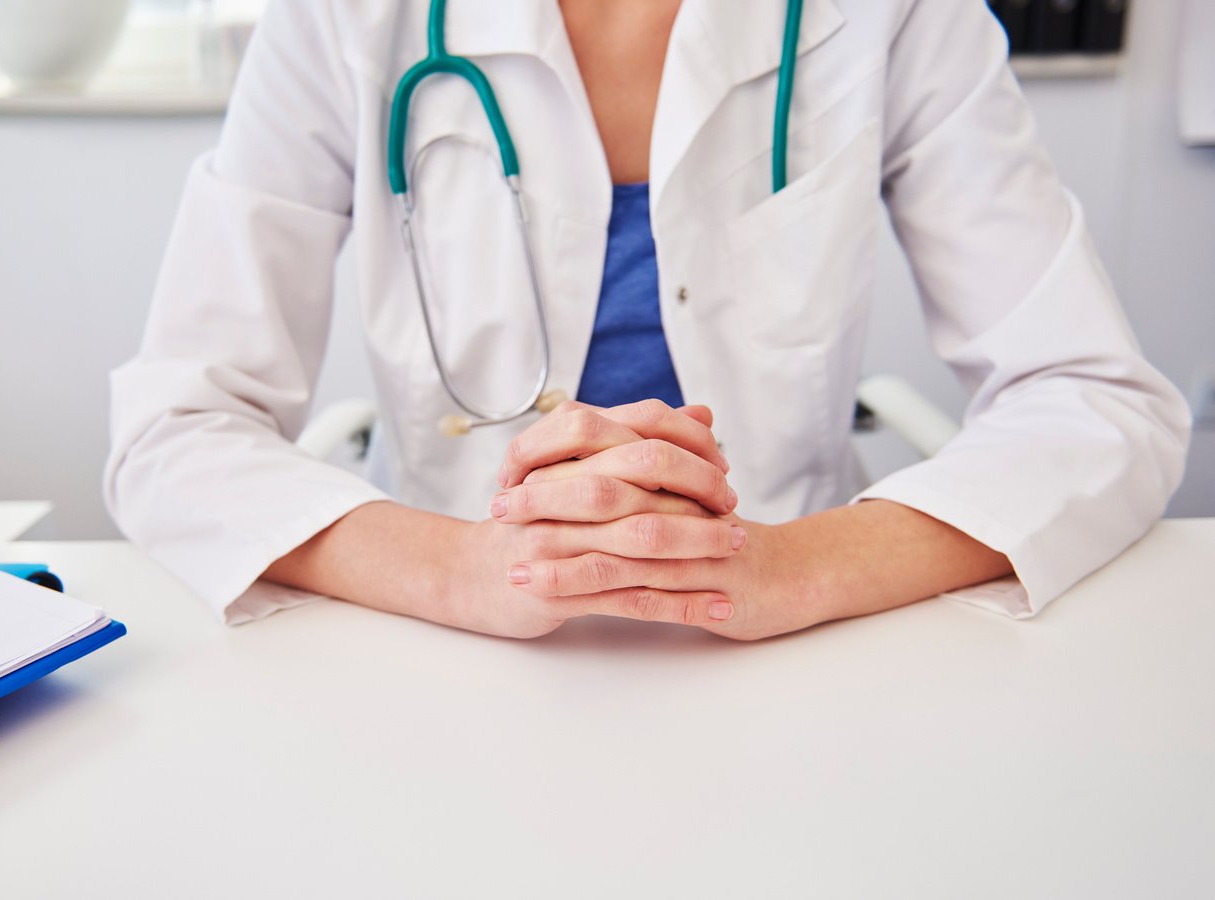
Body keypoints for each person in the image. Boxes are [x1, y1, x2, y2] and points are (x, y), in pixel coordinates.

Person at [105, 0, 1190, 639]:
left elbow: (1094, 401)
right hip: (443, 639)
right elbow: (177, 428)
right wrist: (467, 569)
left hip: (793, 645)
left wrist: (795, 566)